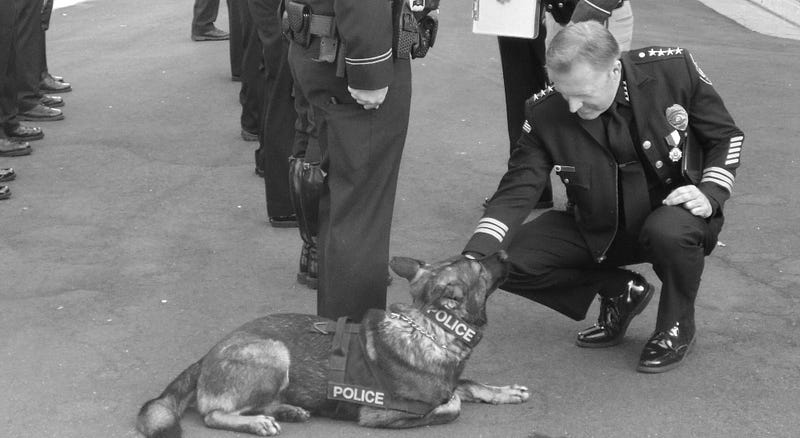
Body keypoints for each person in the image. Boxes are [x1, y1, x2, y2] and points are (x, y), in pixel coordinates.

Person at [464, 21, 743, 373]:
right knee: (504, 263)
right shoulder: (544, 111)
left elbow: (726, 136)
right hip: (601, 224)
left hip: (671, 216)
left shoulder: (672, 70)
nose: (571, 105)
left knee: (668, 231)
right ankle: (619, 290)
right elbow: (518, 187)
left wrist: (711, 192)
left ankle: (676, 324)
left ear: (615, 69)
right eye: (563, 91)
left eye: (582, 93)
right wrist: (473, 256)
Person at [284, 0, 435, 321]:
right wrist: (370, 69)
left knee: (346, 205)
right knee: (360, 215)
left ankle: (339, 346)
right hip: (350, 56)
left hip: (325, 44)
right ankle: (350, 354)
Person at [495, 0, 633, 209]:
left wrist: (581, 21)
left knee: (595, 105)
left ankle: (599, 201)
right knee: (566, 100)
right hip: (555, 13)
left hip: (596, 15)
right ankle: (575, 196)